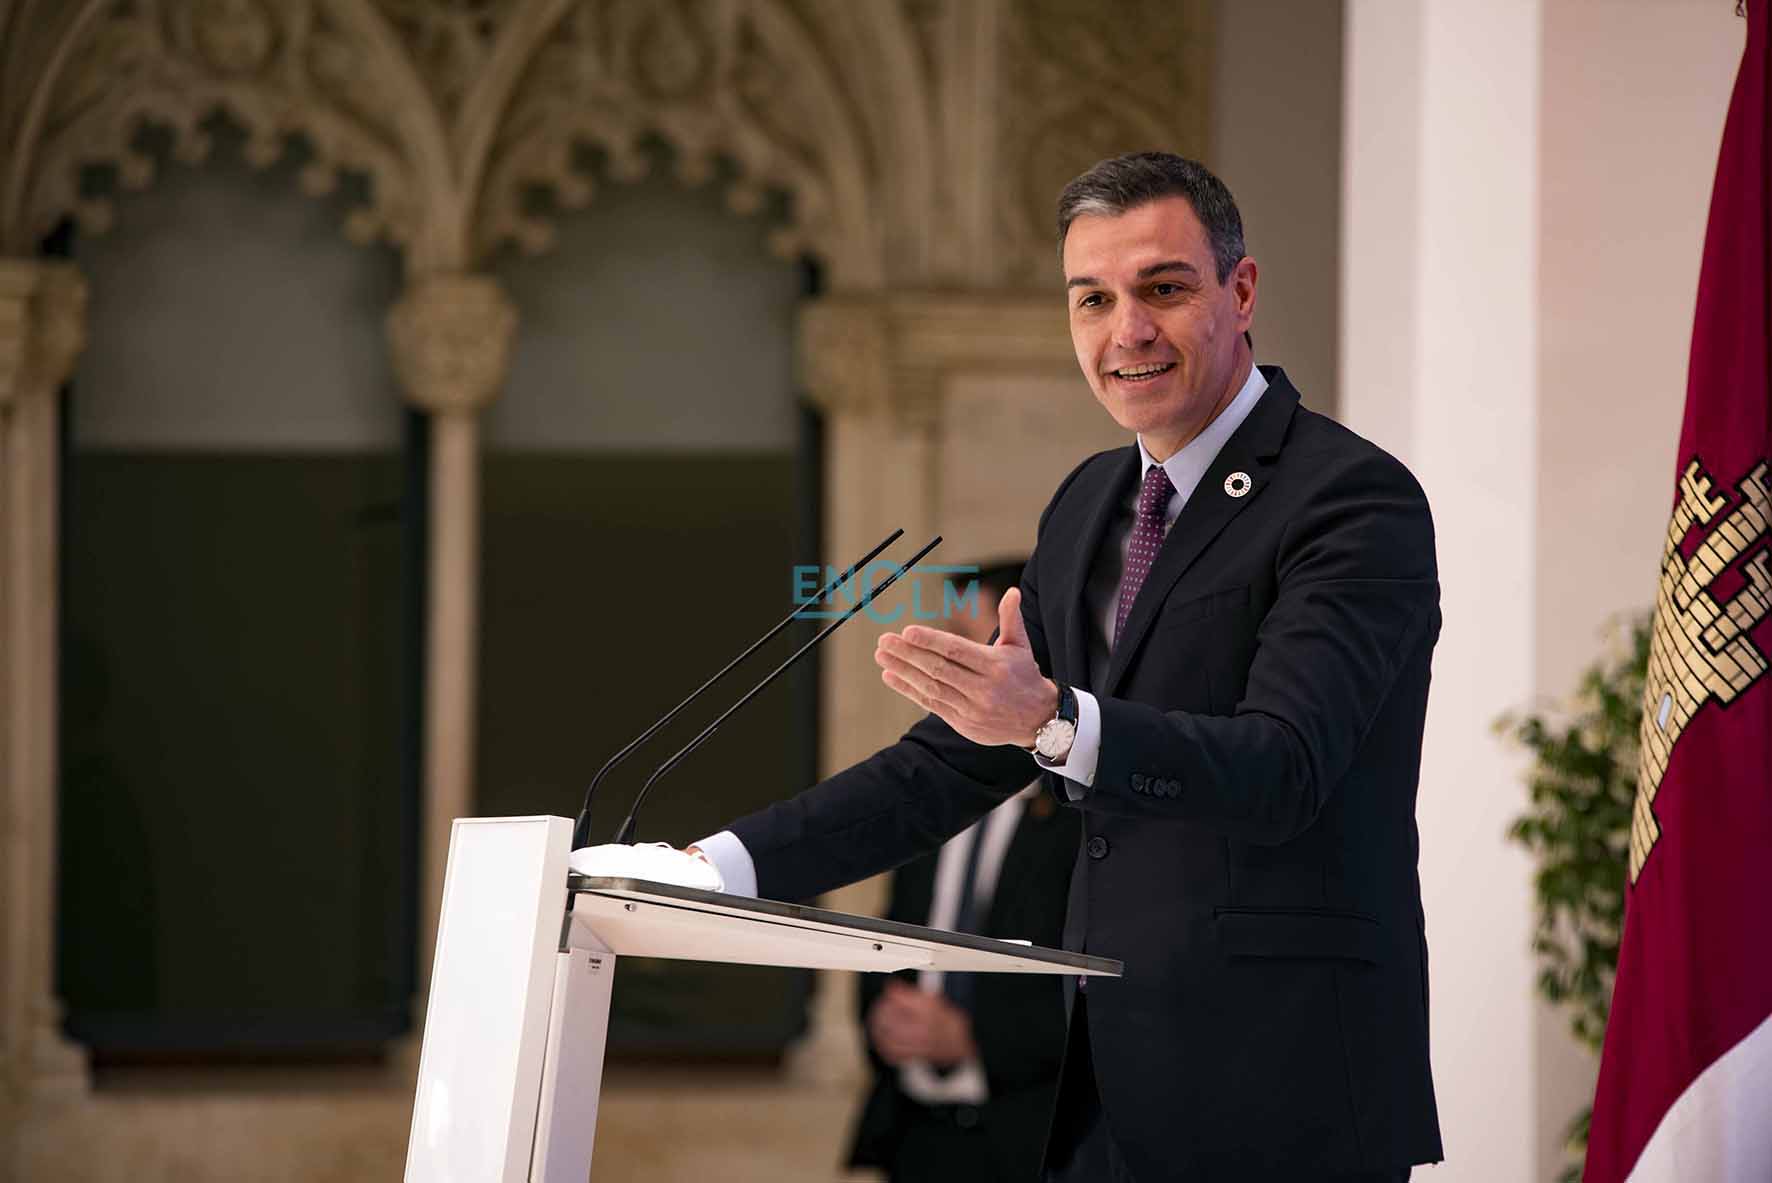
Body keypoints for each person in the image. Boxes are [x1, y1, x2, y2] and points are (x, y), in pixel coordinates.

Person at [690, 152, 1443, 1181]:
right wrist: (720, 870)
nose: (1124, 330)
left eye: (1162, 289)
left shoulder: (1350, 500)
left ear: (1241, 289)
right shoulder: (1088, 502)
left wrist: (1055, 725)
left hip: (1283, 1094)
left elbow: (1282, 766)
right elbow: (948, 765)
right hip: (1098, 1103)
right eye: (1091, 299)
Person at [846, 559, 1080, 1183]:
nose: (962, 667)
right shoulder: (932, 795)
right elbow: (893, 931)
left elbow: (1108, 985)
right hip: (917, 1137)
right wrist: (883, 1017)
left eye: (982, 645)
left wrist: (975, 1038)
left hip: (1040, 1140)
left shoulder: (1086, 809)